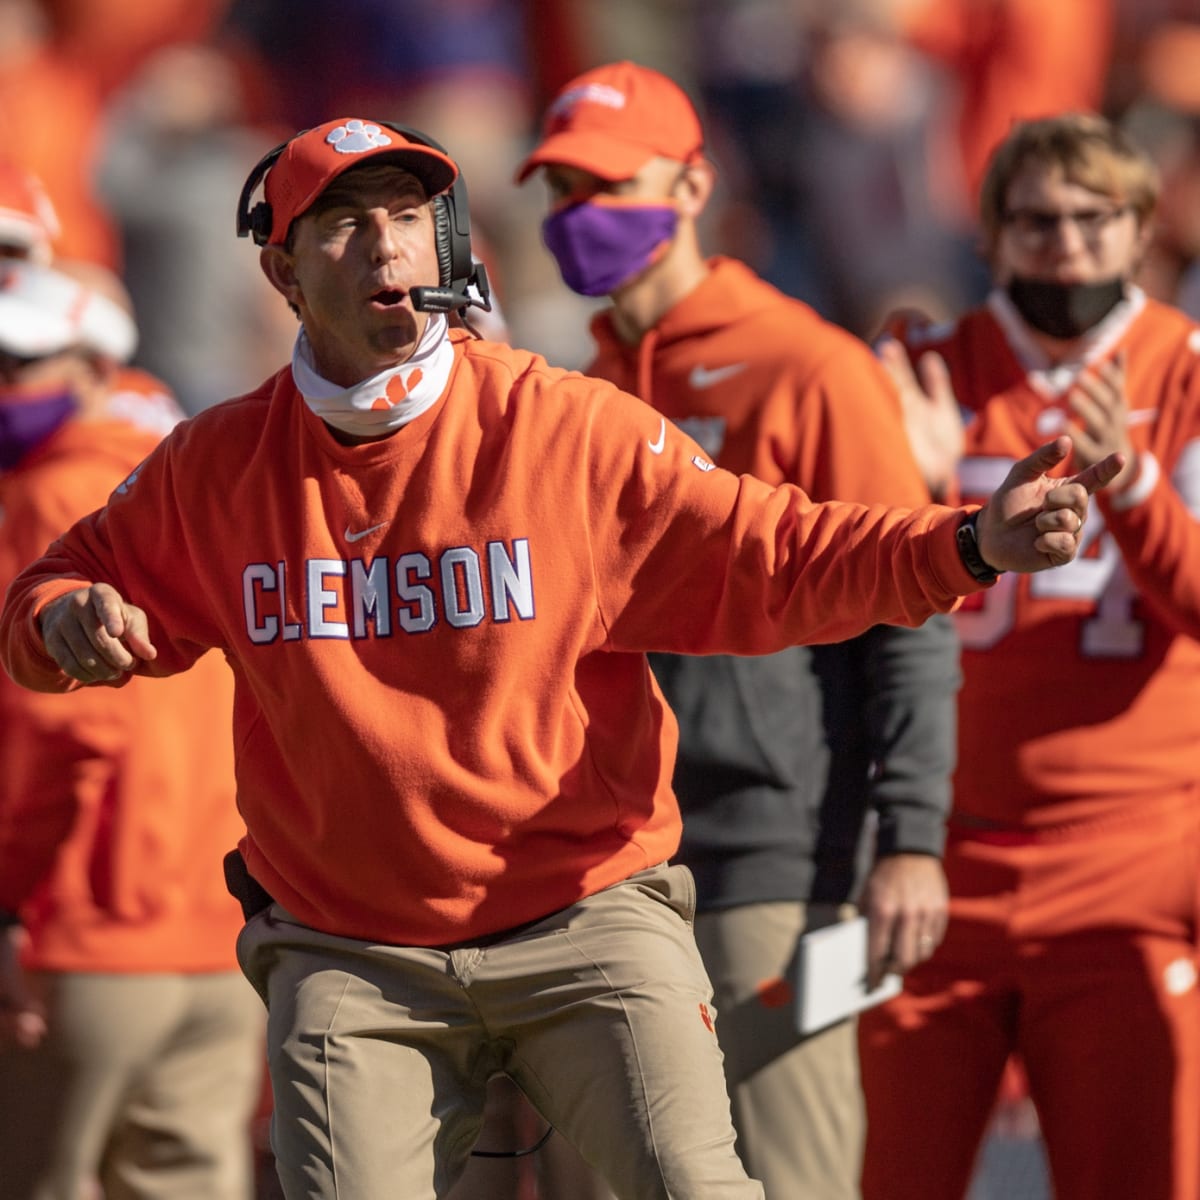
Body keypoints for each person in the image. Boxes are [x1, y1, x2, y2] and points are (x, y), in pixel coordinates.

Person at [0, 116, 1119, 1200]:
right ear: (286, 275)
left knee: (698, 1185)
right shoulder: (213, 465)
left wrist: (969, 542)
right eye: (342, 224)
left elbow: (781, 553)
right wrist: (61, 619)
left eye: (406, 216)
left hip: (583, 911)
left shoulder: (563, 426)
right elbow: (47, 591)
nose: (384, 245)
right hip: (352, 950)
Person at [515, 59, 961, 1199]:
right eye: (563, 192)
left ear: (695, 183)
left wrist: (908, 837)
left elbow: (908, 613)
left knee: (788, 1167)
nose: (582, 217)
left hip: (778, 854)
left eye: (611, 186)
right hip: (612, 863)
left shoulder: (805, 366)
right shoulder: (579, 389)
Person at [858, 112, 1200, 1200]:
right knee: (889, 1177)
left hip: (1128, 857)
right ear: (994, 236)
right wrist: (902, 488)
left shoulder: (1186, 372)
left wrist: (1143, 493)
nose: (1065, 246)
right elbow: (848, 592)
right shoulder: (928, 371)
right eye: (1036, 221)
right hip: (938, 852)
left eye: (1093, 220)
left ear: (1141, 229)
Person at [0, 257, 264, 1198]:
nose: (4, 387)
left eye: (18, 363)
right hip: (220, 935)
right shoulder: (198, 474)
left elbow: (58, 737)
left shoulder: (48, 491)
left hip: (84, 934)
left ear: (95, 369)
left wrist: (8, 908)